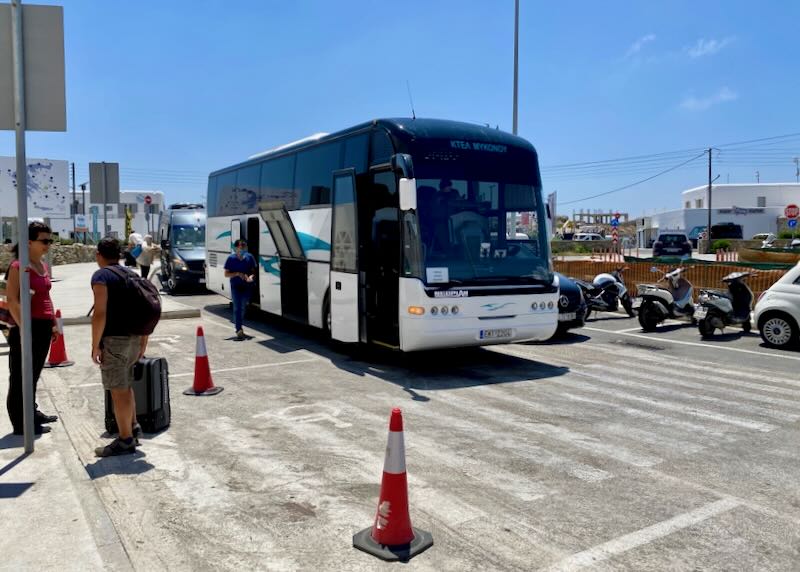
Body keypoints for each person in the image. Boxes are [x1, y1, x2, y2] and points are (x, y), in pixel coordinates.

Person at [91, 237, 148, 457]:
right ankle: (132, 428)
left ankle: (125, 440)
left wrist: (95, 345)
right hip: (134, 339)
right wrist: (143, 340)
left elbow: (100, 313)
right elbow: (142, 310)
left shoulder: (101, 275)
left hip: (115, 341)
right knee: (125, 386)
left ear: (99, 255)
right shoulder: (130, 275)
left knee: (118, 390)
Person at [5, 221, 60, 435]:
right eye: (44, 240)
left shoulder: (42, 265)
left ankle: (31, 411)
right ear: (29, 242)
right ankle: (21, 423)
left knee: (34, 374)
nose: (48, 244)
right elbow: (12, 300)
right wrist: (24, 330)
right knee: (20, 376)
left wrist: (54, 324)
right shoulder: (19, 266)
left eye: (50, 240)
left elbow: (46, 296)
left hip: (43, 326)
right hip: (27, 328)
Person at [224, 239, 257, 339]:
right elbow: (226, 274)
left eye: (244, 247)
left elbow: (253, 271)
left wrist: (251, 277)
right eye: (241, 247)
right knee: (237, 308)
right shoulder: (231, 259)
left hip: (246, 286)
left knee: (242, 307)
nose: (243, 249)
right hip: (235, 286)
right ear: (236, 248)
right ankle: (239, 329)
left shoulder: (249, 257)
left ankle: (240, 326)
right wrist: (237, 274)